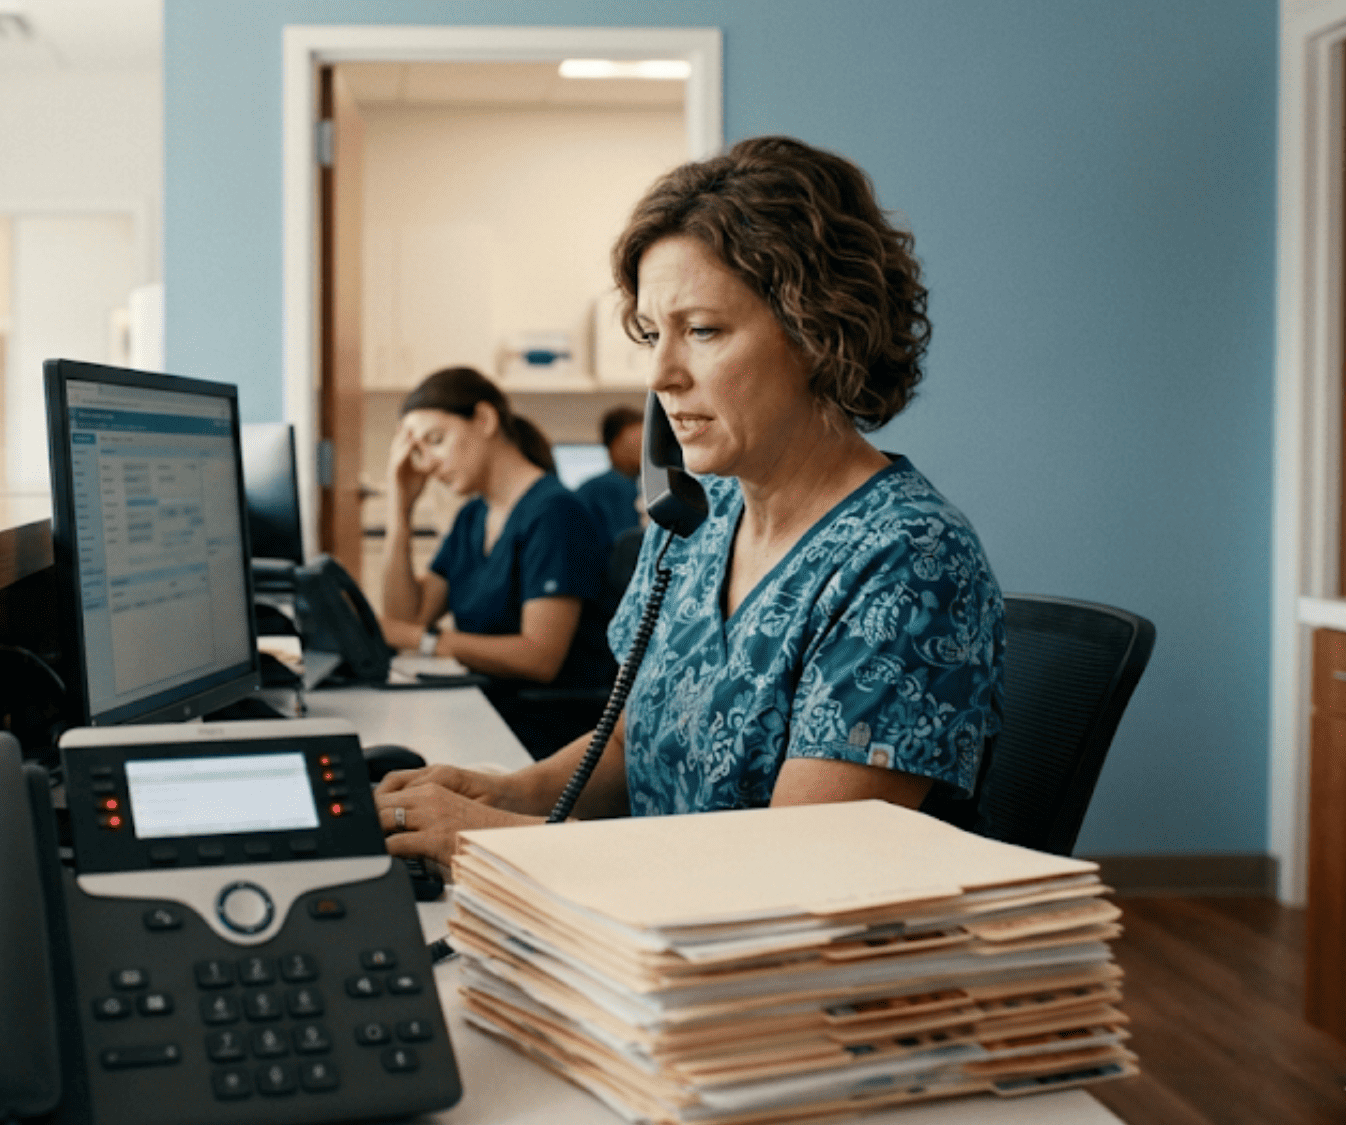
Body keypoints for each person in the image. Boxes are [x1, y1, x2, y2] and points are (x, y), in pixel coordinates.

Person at [375, 136, 1005, 866]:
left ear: (821, 332)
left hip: (789, 966)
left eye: (701, 331)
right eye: (651, 334)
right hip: (652, 937)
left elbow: (802, 865)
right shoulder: (696, 521)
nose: (660, 375)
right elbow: (632, 737)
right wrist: (509, 794)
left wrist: (499, 845)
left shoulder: (909, 559)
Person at [378, 366, 617, 759]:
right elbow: (407, 615)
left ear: (485, 419)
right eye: (418, 452)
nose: (429, 463)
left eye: (435, 441)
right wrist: (399, 507)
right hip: (487, 713)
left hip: (546, 736)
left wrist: (423, 641)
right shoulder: (473, 517)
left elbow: (539, 657)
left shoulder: (556, 513)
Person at [573, 405, 645, 547]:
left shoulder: (640, 486)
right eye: (638, 441)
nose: (645, 449)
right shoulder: (605, 488)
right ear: (615, 443)